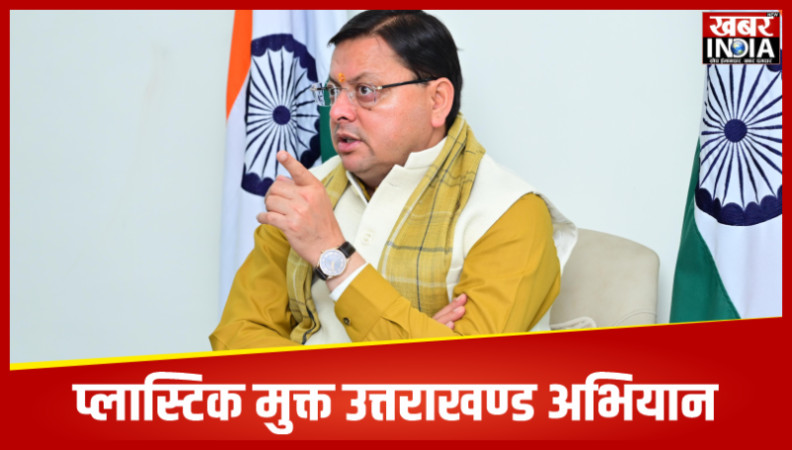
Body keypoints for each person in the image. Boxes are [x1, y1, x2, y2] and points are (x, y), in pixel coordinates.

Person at [210, 10, 576, 350]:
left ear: (437, 101)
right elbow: (236, 336)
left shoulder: (508, 213)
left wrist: (333, 254)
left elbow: (463, 375)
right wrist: (389, 359)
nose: (337, 112)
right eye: (333, 92)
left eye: (365, 91)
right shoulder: (304, 195)